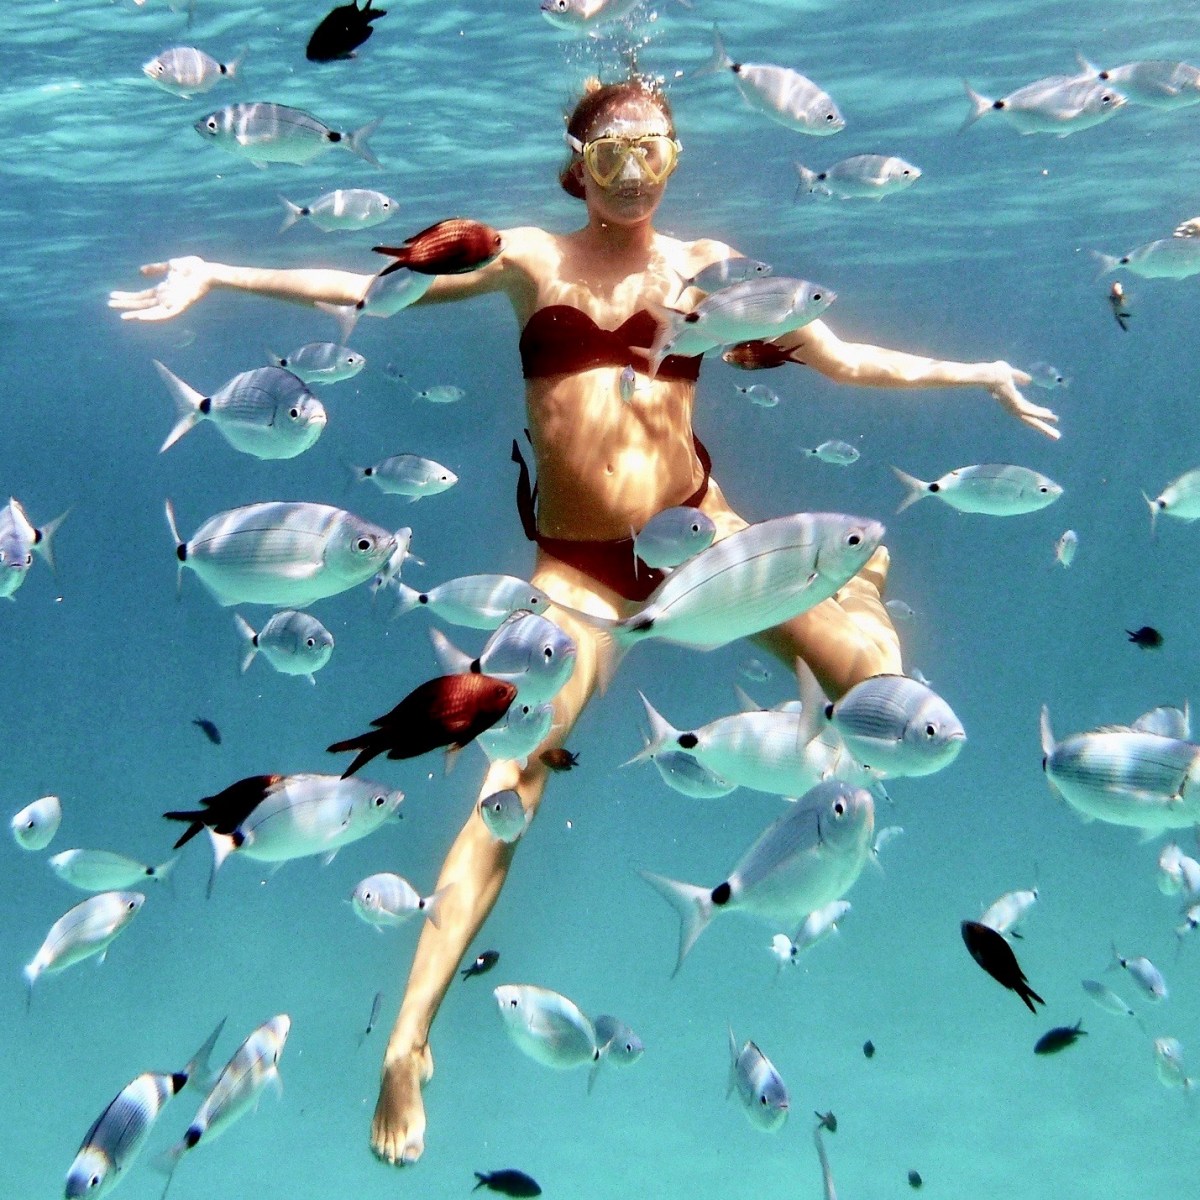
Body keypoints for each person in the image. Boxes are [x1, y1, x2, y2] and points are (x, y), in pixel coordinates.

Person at [110, 75, 1060, 1166]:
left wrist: (977, 372)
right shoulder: (527, 259)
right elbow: (364, 286)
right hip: (574, 576)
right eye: (608, 154)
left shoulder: (708, 268)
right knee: (504, 781)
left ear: (674, 155)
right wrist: (214, 272)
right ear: (576, 159)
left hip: (705, 545)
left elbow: (843, 359)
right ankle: (410, 1038)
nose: (629, 174)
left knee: (880, 695)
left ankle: (860, 585)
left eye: (648, 151)